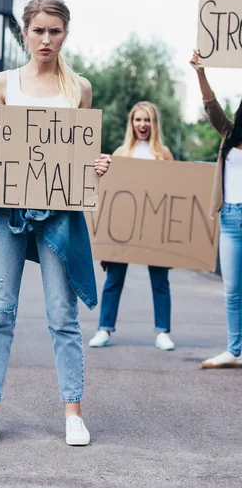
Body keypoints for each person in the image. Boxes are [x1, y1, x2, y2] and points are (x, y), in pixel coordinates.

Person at [0, 0, 110, 445]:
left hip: (58, 216)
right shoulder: (5, 83)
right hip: (7, 211)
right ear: (25, 32)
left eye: (55, 31)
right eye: (38, 30)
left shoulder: (78, 88)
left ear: (66, 33)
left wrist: (94, 166)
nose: (46, 39)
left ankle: (73, 412)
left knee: (63, 315)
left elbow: (76, 155)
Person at [89, 101, 176, 352]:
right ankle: (104, 329)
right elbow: (110, 197)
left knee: (160, 281)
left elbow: (174, 195)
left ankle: (163, 332)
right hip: (123, 228)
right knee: (114, 279)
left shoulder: (164, 154)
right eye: (138, 120)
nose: (143, 125)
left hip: (155, 227)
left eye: (147, 120)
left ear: (154, 124)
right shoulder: (120, 153)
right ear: (132, 123)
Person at [190, 50, 242, 369]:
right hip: (231, 218)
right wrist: (200, 72)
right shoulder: (229, 133)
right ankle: (234, 349)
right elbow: (211, 107)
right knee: (232, 289)